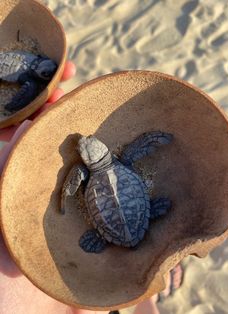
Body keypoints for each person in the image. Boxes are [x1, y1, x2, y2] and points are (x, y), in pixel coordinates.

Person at [0, 61, 182, 313]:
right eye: (84, 147)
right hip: (139, 211)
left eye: (87, 144)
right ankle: (146, 295)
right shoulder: (125, 160)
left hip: (107, 222)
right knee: (145, 203)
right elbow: (143, 146)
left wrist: (64, 198)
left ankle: (142, 290)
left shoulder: (82, 172)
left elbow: (72, 184)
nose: (83, 142)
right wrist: (154, 139)